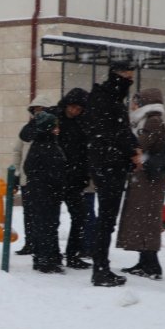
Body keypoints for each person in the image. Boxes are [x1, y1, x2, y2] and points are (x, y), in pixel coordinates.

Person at [85, 61, 142, 287]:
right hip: (109, 164)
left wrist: (132, 147)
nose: (130, 81)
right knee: (106, 219)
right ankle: (100, 269)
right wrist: (132, 151)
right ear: (118, 76)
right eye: (128, 76)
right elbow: (115, 131)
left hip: (106, 162)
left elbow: (118, 130)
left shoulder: (106, 97)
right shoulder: (108, 99)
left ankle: (101, 267)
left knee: (106, 219)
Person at [116, 88, 165, 280]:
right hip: (145, 179)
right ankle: (144, 261)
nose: (132, 105)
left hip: (149, 180)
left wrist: (128, 143)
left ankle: (152, 265)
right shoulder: (145, 120)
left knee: (147, 220)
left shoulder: (152, 121)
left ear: (143, 103)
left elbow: (141, 145)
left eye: (135, 101)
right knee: (141, 219)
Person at [18, 111, 67, 274]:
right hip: (46, 193)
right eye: (55, 127)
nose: (58, 129)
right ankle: (46, 259)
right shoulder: (46, 145)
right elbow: (52, 170)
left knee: (46, 225)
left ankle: (46, 257)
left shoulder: (41, 143)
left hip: (43, 192)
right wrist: (54, 182)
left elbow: (29, 167)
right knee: (47, 225)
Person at [52, 88, 93, 269]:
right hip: (55, 177)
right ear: (67, 104)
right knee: (52, 219)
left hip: (74, 178)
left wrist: (84, 175)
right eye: (73, 107)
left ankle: (73, 254)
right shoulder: (54, 117)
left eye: (79, 109)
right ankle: (51, 254)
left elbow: (84, 152)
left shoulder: (82, 123)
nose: (75, 111)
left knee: (80, 216)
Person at [11, 95, 54, 256]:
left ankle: (42, 245)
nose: (38, 113)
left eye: (41, 109)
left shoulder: (52, 129)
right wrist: (16, 174)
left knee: (44, 214)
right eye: (35, 110)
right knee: (28, 213)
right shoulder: (27, 130)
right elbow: (17, 152)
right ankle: (30, 242)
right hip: (27, 178)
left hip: (45, 179)